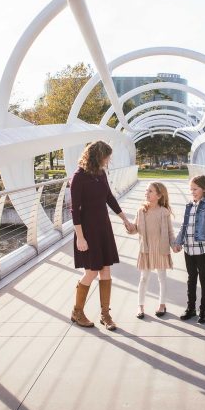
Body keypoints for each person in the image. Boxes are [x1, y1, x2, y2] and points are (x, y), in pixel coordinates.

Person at [70, 141, 134, 331]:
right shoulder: (78, 177)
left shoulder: (100, 174)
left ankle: (105, 314)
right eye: (107, 156)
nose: (108, 160)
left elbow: (109, 198)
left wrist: (124, 219)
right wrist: (80, 238)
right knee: (91, 271)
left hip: (103, 228)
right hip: (87, 231)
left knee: (105, 270)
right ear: (98, 156)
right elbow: (75, 210)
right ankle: (77, 312)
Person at [128, 182, 177, 319]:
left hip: (161, 249)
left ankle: (162, 304)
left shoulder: (164, 212)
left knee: (162, 278)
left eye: (150, 191)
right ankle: (140, 306)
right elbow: (135, 229)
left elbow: (170, 232)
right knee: (143, 278)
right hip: (146, 250)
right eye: (146, 191)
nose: (147, 193)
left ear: (159, 195)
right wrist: (129, 227)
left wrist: (174, 245)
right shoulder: (141, 211)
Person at [174, 175, 205, 324]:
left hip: (202, 247)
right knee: (191, 278)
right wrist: (178, 242)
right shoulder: (189, 205)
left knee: (203, 277)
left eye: (195, 189)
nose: (192, 192)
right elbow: (184, 227)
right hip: (188, 248)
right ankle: (190, 308)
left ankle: (204, 309)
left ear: (204, 189)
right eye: (191, 189)